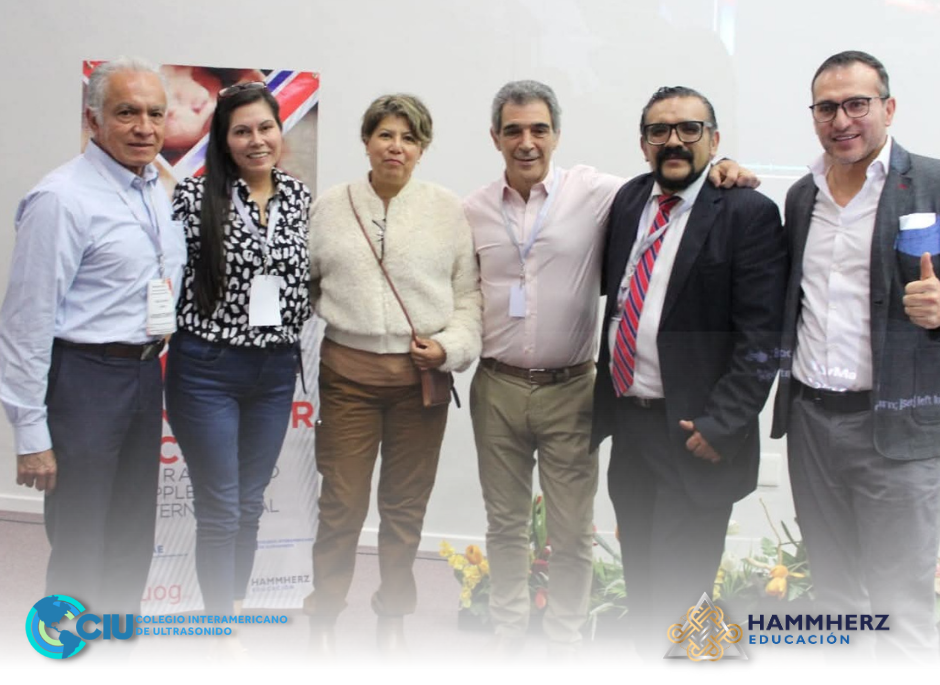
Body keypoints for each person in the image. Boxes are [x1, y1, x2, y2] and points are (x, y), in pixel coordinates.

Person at [462, 80, 756, 656]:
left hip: (573, 387)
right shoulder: (472, 209)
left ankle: (567, 643)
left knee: (576, 530)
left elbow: (680, 180)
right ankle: (507, 639)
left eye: (539, 128)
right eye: (514, 130)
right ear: (495, 137)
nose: (527, 141)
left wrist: (725, 169)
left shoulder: (600, 193)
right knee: (507, 523)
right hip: (501, 386)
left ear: (557, 134)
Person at [591, 85, 786, 651]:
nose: (673, 140)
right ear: (644, 143)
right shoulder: (629, 200)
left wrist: (723, 424)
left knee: (683, 589)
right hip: (632, 427)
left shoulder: (748, 213)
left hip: (695, 433)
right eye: (659, 130)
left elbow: (762, 334)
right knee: (641, 580)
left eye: (689, 129)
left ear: (714, 139)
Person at [0, 57, 186, 612]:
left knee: (131, 532)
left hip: (143, 373)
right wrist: (30, 434)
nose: (145, 127)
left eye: (156, 114)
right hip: (83, 380)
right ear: (93, 119)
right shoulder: (62, 199)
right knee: (81, 537)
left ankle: (116, 644)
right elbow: (26, 321)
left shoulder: (154, 188)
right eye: (127, 113)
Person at [772, 50, 940, 660]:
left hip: (896, 428)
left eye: (857, 104)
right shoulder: (802, 196)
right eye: (827, 108)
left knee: (902, 609)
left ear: (888, 109)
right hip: (813, 425)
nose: (841, 120)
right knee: (835, 601)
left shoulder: (932, 184)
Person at [305, 94, 481, 654]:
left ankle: (394, 616)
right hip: (346, 376)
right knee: (341, 504)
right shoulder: (332, 206)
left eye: (409, 138)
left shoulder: (446, 210)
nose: (396, 147)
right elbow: (306, 285)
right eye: (385, 134)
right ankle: (324, 615)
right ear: (366, 141)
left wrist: (450, 348)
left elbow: (468, 298)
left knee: (405, 507)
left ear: (422, 148)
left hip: (419, 381)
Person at [165, 81, 311, 616]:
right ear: (223, 141)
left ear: (280, 129)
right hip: (208, 369)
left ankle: (233, 616)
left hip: (274, 371)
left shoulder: (299, 197)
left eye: (266, 127)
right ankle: (218, 630)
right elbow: (166, 277)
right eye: (242, 131)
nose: (257, 141)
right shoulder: (192, 198)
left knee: (249, 505)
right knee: (222, 507)